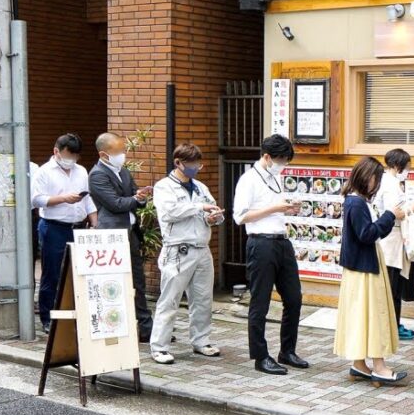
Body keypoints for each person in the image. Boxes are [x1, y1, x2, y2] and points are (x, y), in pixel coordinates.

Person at [232, 134, 308, 375]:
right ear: (266, 157)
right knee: (260, 302)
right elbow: (240, 216)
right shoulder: (248, 180)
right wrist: (276, 207)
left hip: (281, 241)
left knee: (294, 299)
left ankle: (287, 350)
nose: (283, 164)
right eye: (281, 159)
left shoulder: (276, 178)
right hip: (261, 243)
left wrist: (288, 207)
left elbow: (274, 210)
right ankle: (260, 356)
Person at [148, 144, 224, 365]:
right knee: (169, 299)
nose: (195, 169)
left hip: (202, 248)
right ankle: (159, 347)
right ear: (178, 163)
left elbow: (212, 210)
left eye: (197, 165)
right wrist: (200, 208)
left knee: (202, 299)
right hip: (177, 250)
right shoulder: (164, 187)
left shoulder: (199, 187)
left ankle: (201, 340)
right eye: (191, 164)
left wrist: (214, 217)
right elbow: (170, 212)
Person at [336, 156, 408, 384]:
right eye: (376, 180)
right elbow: (367, 234)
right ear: (367, 178)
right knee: (375, 314)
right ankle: (379, 367)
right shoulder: (357, 203)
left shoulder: (353, 200)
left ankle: (360, 364)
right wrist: (390, 215)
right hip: (365, 266)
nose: (376, 186)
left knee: (361, 316)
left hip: (358, 266)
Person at [89, 132, 154, 342]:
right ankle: (114, 327)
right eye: (118, 152)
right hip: (112, 236)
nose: (123, 155)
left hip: (131, 233)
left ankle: (146, 328)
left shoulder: (123, 172)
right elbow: (115, 204)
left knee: (138, 281)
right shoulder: (97, 175)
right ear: (104, 154)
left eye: (123, 150)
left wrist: (140, 197)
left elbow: (136, 196)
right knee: (114, 283)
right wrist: (136, 198)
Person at [32, 134, 97, 333]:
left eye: (75, 157)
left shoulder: (81, 171)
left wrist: (94, 221)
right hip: (53, 227)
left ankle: (76, 314)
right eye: (68, 156)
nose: (72, 161)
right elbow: (36, 200)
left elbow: (87, 199)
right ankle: (47, 317)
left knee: (79, 273)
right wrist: (62, 199)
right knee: (52, 273)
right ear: (56, 152)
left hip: (78, 227)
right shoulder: (44, 172)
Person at [374, 148, 414, 341]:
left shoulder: (390, 182)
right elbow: (394, 213)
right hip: (391, 241)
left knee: (395, 286)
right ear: (396, 165)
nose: (407, 171)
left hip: (395, 239)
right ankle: (392, 326)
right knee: (392, 286)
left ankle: (394, 323)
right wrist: (413, 208)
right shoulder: (390, 184)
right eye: (406, 167)